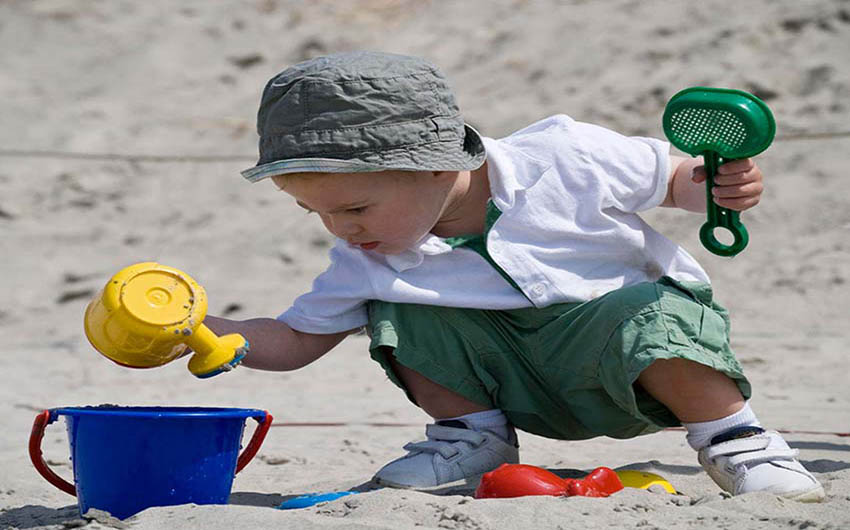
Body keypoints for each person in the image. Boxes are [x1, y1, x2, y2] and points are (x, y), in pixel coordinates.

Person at [206, 51, 824, 501]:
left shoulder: (566, 155)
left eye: (354, 208)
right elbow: (293, 340)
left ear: (433, 167)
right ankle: (471, 440)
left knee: (651, 311)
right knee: (397, 306)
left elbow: (674, 180)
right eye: (314, 213)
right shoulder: (368, 256)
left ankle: (735, 440)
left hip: (628, 359)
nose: (339, 230)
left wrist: (715, 185)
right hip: (516, 388)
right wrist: (203, 331)